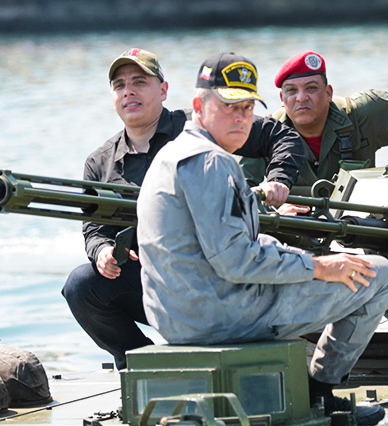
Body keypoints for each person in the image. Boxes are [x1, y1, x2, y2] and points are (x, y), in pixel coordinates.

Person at [137, 53, 388, 425]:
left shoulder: (173, 154)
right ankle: (320, 393)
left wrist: (293, 257)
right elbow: (237, 260)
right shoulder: (212, 162)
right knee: (379, 274)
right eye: (228, 107)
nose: (241, 118)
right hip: (221, 316)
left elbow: (229, 245)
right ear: (199, 106)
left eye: (247, 107)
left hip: (178, 316)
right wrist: (320, 267)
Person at [62, 48, 306, 370]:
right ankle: (143, 365)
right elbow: (94, 229)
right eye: (119, 85)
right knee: (81, 285)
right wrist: (103, 251)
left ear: (163, 90)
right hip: (156, 282)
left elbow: (281, 136)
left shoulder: (200, 126)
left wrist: (278, 180)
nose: (128, 91)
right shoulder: (100, 162)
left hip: (218, 272)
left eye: (139, 82)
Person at [242, 50, 388, 195]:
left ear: (328, 93)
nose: (301, 98)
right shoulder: (265, 134)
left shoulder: (361, 113)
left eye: (311, 88)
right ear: (282, 99)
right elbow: (238, 193)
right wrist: (275, 210)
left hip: (359, 226)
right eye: (291, 91)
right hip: (294, 231)